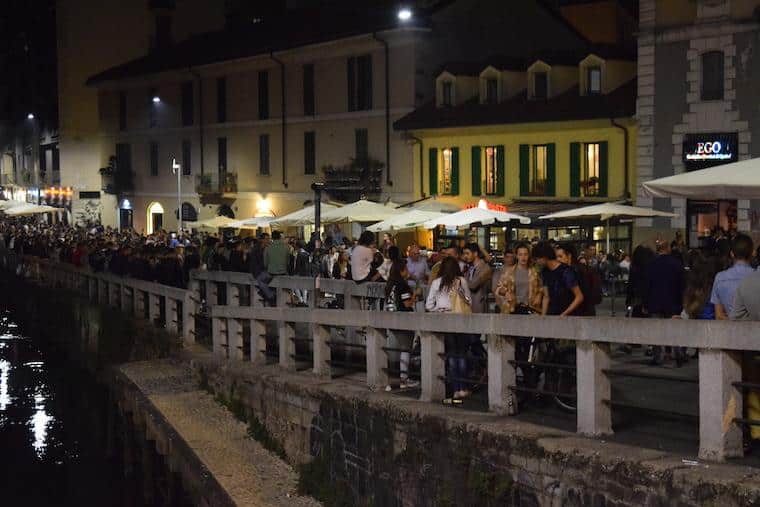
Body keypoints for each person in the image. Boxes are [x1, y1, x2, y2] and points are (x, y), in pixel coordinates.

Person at [425, 256, 472, 400]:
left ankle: (455, 388)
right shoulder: (461, 281)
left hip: (445, 322)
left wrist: (439, 310)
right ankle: (463, 388)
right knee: (462, 354)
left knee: (451, 355)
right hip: (461, 322)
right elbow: (469, 301)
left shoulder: (436, 283)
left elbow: (428, 305)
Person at [646, 239, 686, 365]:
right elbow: (682, 285)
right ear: (668, 248)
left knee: (656, 331)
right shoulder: (677, 264)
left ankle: (658, 357)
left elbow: (647, 285)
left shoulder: (651, 264)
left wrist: (646, 303)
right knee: (674, 329)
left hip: (655, 302)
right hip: (673, 302)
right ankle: (679, 354)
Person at [384, 259, 417, 391]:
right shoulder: (402, 285)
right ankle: (404, 380)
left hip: (390, 318)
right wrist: (415, 296)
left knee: (393, 352)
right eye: (406, 269)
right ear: (401, 271)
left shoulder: (390, 284)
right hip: (403, 318)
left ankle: (390, 382)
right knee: (405, 349)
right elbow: (407, 304)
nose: (408, 271)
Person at [710, 234, 755, 320]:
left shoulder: (720, 277)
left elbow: (719, 316)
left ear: (732, 254)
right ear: (752, 253)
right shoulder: (756, 277)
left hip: (729, 330)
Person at [533, 241, 584, 317]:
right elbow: (546, 297)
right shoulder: (544, 271)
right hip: (552, 314)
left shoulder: (566, 271)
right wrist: (543, 316)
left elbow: (579, 296)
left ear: (544, 257)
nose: (537, 262)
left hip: (568, 314)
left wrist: (564, 314)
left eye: (537, 259)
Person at [494, 242, 542, 314]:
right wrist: (506, 293)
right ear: (516, 256)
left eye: (525, 254)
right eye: (520, 254)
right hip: (512, 308)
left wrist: (539, 296)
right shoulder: (509, 272)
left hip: (531, 308)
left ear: (529, 256)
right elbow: (499, 288)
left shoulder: (534, 273)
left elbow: (542, 287)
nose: (523, 257)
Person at [555, 242, 601, 316]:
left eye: (560, 256)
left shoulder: (573, 272)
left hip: (577, 312)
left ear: (569, 256)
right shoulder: (583, 269)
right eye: (556, 257)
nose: (558, 259)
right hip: (586, 311)